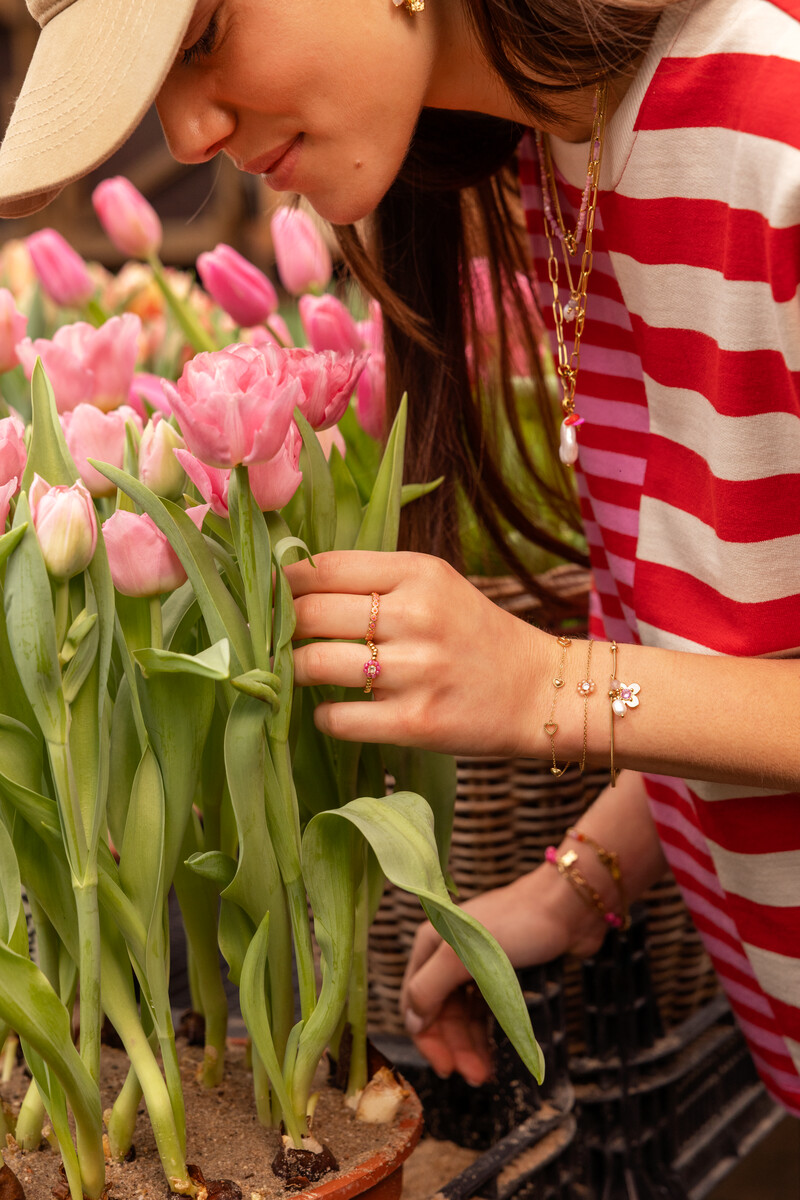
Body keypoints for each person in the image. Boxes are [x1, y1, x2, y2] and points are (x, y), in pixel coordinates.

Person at [1, 0, 798, 1118]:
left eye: (205, 33)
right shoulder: (555, 148)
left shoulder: (773, 132)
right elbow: (744, 618)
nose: (184, 134)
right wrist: (587, 874)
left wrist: (546, 686)